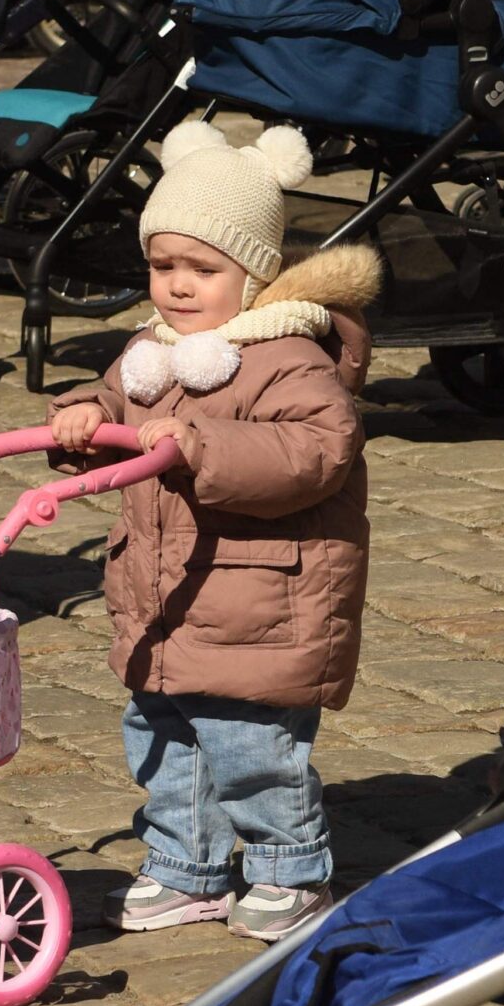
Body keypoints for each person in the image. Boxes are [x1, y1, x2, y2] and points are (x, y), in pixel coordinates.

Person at [49, 120, 378, 942]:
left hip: (260, 601)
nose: (179, 286)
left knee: (249, 741)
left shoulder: (285, 357)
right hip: (166, 595)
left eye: (204, 268)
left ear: (254, 272)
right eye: (163, 267)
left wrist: (200, 448)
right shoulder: (153, 355)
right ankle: (185, 865)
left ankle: (289, 868)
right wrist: (83, 413)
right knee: (162, 737)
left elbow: (316, 450)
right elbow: (117, 399)